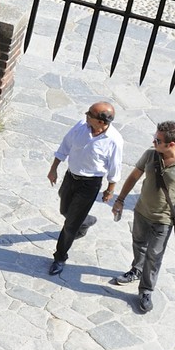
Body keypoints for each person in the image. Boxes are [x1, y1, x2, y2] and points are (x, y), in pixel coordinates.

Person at [109, 120, 175, 314]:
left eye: (157, 140)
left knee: (154, 255)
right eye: (155, 138)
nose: (153, 142)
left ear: (171, 144)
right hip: (142, 211)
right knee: (138, 243)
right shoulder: (150, 155)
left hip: (164, 219)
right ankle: (136, 270)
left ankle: (146, 290)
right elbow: (134, 176)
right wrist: (120, 199)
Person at [46, 101, 124, 275]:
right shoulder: (81, 126)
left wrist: (110, 189)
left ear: (101, 122)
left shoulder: (114, 140)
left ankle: (60, 257)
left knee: (70, 224)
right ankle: (86, 221)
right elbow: (65, 146)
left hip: (89, 184)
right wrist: (54, 168)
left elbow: (115, 167)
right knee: (65, 210)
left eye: (90, 114)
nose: (86, 116)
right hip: (71, 177)